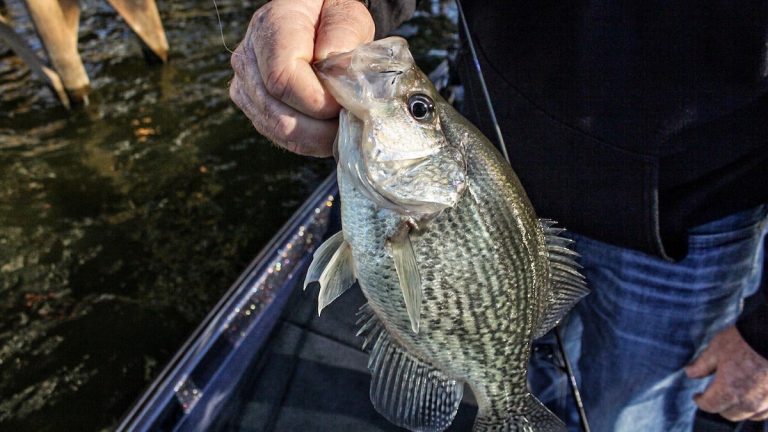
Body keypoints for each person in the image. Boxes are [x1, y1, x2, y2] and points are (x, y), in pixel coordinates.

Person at [229, 0, 768, 430]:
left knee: (633, 413)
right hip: (516, 179)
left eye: (419, 109)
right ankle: (512, 401)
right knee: (535, 368)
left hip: (697, 210)